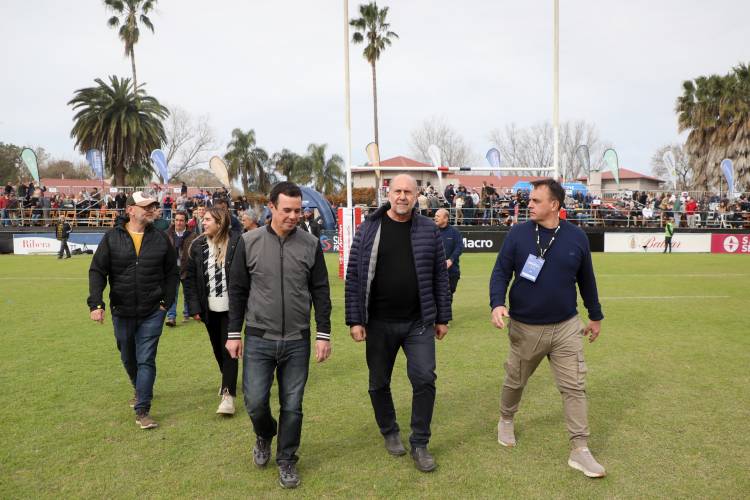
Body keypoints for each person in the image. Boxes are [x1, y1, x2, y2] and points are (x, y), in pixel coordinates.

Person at [489, 178, 606, 478]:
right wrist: (497, 303)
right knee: (515, 381)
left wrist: (595, 315)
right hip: (526, 328)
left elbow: (587, 280)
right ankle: (506, 418)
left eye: (536, 200)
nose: (529, 204)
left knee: (574, 387)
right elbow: (501, 272)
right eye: (529, 199)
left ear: (554, 205)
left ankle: (580, 450)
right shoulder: (517, 234)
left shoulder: (577, 237)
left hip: (567, 327)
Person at [226, 181, 332, 489]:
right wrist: (234, 333)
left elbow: (321, 292)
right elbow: (238, 290)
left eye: (298, 211)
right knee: (256, 402)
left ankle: (287, 459)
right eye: (286, 210)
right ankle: (264, 433)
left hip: (297, 339)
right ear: (271, 207)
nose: (293, 216)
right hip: (259, 338)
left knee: (293, 404)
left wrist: (323, 334)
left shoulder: (310, 245)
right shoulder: (249, 241)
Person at [345, 174, 452, 473]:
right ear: (388, 194)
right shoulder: (369, 229)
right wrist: (355, 319)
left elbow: (440, 278)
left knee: (424, 379)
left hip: (418, 323)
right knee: (378, 383)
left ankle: (420, 442)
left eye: (408, 191)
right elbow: (354, 275)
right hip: (378, 323)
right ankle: (389, 430)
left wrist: (442, 317)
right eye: (397, 191)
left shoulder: (429, 230)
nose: (402, 196)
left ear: (417, 195)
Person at [87, 191, 178, 430]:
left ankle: (143, 409)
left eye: (153, 206)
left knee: (146, 358)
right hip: (122, 310)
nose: (150, 210)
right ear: (130, 210)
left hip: (153, 310)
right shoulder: (111, 237)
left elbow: (172, 274)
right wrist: (96, 303)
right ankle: (139, 389)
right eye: (145, 206)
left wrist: (165, 304)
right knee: (128, 356)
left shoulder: (160, 238)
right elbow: (97, 271)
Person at [184, 208, 242, 415]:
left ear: (220, 222)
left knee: (229, 350)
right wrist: (194, 307)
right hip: (209, 308)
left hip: (232, 308)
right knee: (218, 350)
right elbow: (189, 279)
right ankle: (227, 378)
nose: (204, 222)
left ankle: (228, 396)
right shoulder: (196, 245)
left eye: (208, 219)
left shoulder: (237, 242)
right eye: (204, 219)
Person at [165, 211, 198, 326]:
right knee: (171, 293)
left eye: (181, 220)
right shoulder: (167, 234)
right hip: (171, 270)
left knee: (187, 293)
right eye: (177, 220)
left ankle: (187, 314)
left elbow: (196, 253)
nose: (178, 222)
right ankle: (171, 317)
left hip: (187, 268)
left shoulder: (193, 236)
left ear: (186, 222)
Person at [434, 208, 463, 297]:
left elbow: (459, 247)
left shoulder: (454, 232)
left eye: (438, 216)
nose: (435, 218)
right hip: (434, 272)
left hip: (451, 272)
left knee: (447, 297)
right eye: (435, 216)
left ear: (446, 218)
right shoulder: (431, 231)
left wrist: (451, 260)